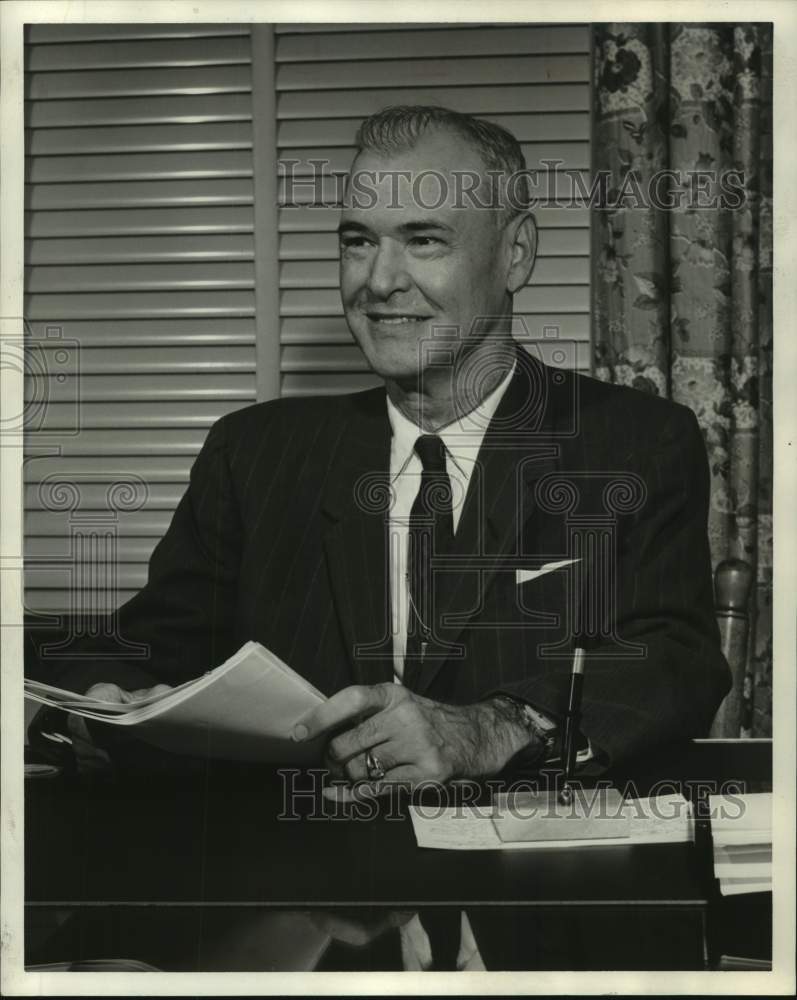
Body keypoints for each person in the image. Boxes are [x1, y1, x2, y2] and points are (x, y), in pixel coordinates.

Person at [31, 105, 731, 786]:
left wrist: (490, 728)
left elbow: (674, 662)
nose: (378, 281)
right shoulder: (254, 455)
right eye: (358, 241)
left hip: (524, 887)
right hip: (294, 883)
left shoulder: (635, 441)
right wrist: (103, 704)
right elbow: (140, 653)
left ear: (514, 254)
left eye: (423, 240)